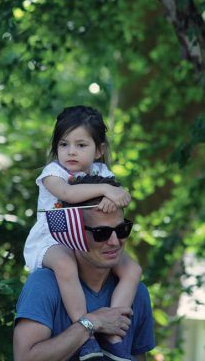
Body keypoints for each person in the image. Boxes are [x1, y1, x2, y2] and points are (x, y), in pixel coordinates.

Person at [23, 105, 141, 360]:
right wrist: (107, 192)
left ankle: (115, 333)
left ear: (99, 150)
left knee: (132, 270)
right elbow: (68, 194)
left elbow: (121, 197)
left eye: (81, 145)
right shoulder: (53, 174)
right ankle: (85, 332)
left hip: (86, 237)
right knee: (66, 266)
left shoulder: (101, 173)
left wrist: (114, 197)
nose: (71, 152)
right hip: (53, 238)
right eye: (64, 144)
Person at [14, 175, 155, 361]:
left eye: (122, 230)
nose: (114, 242)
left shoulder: (137, 293)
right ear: (73, 233)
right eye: (101, 233)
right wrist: (91, 323)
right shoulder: (44, 284)